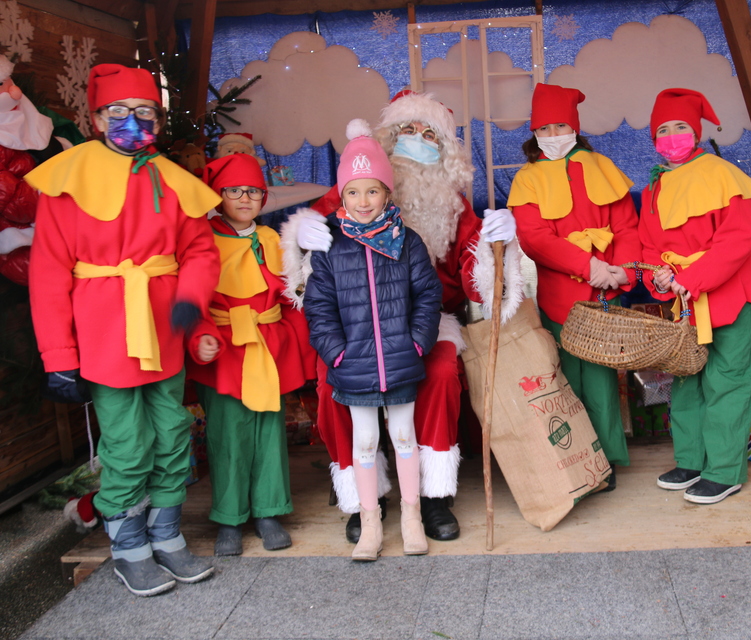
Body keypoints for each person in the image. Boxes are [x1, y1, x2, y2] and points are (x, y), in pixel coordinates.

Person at [284, 91, 522, 542]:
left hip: (422, 323)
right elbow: (307, 285)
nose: (417, 141)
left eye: (429, 134)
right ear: (386, 142)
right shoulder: (353, 189)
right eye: (406, 131)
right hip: (352, 325)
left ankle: (432, 497)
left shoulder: (453, 207)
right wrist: (299, 237)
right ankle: (361, 501)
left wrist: (501, 246)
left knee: (440, 372)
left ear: (445, 151)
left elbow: (479, 286)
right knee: (329, 380)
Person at [26, 63, 221, 596]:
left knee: (174, 431)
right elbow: (47, 273)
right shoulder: (68, 178)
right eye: (119, 113)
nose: (132, 123)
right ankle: (128, 544)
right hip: (104, 332)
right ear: (95, 118)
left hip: (163, 329)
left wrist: (190, 304)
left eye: (145, 114)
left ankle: (165, 534)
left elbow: (200, 251)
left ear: (157, 119)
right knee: (127, 443)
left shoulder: (172, 179)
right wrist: (58, 354)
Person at [302, 119, 443, 561]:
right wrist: (337, 353)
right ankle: (369, 523)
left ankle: (412, 518)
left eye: (373, 191)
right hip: (355, 365)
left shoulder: (408, 243)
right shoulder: (329, 248)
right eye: (353, 192)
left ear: (387, 192)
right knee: (364, 441)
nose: (364, 201)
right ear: (342, 195)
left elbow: (427, 296)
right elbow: (318, 308)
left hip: (400, 360)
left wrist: (417, 342)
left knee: (403, 436)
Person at [506, 83, 641, 490]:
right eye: (543, 128)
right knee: (565, 379)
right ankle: (574, 458)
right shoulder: (527, 179)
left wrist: (623, 271)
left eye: (559, 125)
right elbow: (534, 239)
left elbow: (627, 226)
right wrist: (588, 265)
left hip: (604, 292)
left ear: (574, 127)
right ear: (533, 133)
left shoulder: (602, 166)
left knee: (601, 377)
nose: (551, 135)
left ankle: (607, 459)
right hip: (561, 293)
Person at [186, 153, 316, 556]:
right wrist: (200, 337)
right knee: (229, 436)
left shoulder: (270, 239)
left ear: (264, 197)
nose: (245, 198)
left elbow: (287, 292)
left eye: (254, 191)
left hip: (268, 346)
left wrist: (303, 346)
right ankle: (229, 518)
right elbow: (192, 297)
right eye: (234, 190)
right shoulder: (202, 239)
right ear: (218, 195)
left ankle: (268, 511)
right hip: (225, 349)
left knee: (269, 432)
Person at [637, 88, 751, 505]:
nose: (672, 135)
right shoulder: (655, 187)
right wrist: (661, 277)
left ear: (697, 131)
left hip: (727, 296)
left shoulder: (722, 173)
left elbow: (740, 237)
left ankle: (724, 471)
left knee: (727, 381)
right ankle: (691, 460)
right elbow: (648, 245)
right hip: (683, 301)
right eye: (664, 129)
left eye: (681, 128)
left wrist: (692, 277)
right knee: (687, 380)